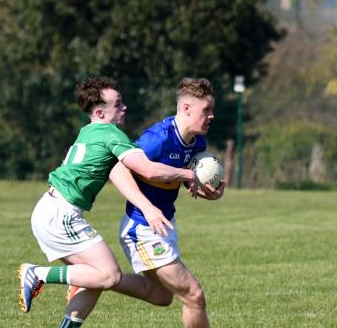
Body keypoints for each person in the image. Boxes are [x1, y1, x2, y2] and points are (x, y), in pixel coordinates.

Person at [18, 76, 201, 328]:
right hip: (61, 215)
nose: (124, 107)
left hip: (52, 211)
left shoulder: (89, 131)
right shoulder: (110, 134)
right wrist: (189, 174)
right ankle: (37, 273)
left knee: (96, 280)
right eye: (118, 104)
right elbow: (147, 170)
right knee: (109, 274)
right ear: (100, 112)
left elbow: (120, 172)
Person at [67, 77, 225, 328]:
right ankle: (93, 278)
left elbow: (178, 175)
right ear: (186, 109)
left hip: (164, 224)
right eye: (206, 110)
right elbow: (116, 168)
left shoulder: (198, 142)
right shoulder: (157, 139)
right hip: (141, 229)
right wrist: (146, 206)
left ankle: (92, 279)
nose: (211, 116)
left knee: (161, 296)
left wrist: (204, 190)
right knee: (193, 295)